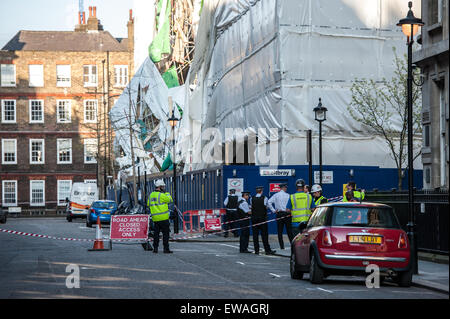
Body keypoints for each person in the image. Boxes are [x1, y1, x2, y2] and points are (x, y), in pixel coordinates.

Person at [148, 179, 173, 254]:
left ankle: (155, 249)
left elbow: (148, 204)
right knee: (165, 234)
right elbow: (170, 200)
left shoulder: (151, 195)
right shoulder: (162, 195)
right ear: (160, 187)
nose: (164, 188)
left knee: (156, 234)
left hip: (155, 218)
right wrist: (167, 193)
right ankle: (166, 249)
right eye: (163, 186)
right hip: (163, 218)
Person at [250, 186, 276, 255]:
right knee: (264, 235)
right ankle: (267, 250)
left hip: (254, 219)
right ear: (261, 191)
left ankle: (256, 250)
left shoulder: (251, 198)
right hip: (262, 219)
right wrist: (274, 211)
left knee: (255, 235)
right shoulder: (265, 198)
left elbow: (252, 206)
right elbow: (267, 206)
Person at [268, 183, 292, 250]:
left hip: (279, 214)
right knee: (289, 231)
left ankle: (282, 247)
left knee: (280, 231)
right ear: (284, 188)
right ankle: (292, 245)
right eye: (286, 188)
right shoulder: (288, 195)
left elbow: (269, 202)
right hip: (287, 214)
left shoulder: (276, 195)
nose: (286, 189)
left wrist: (273, 210)